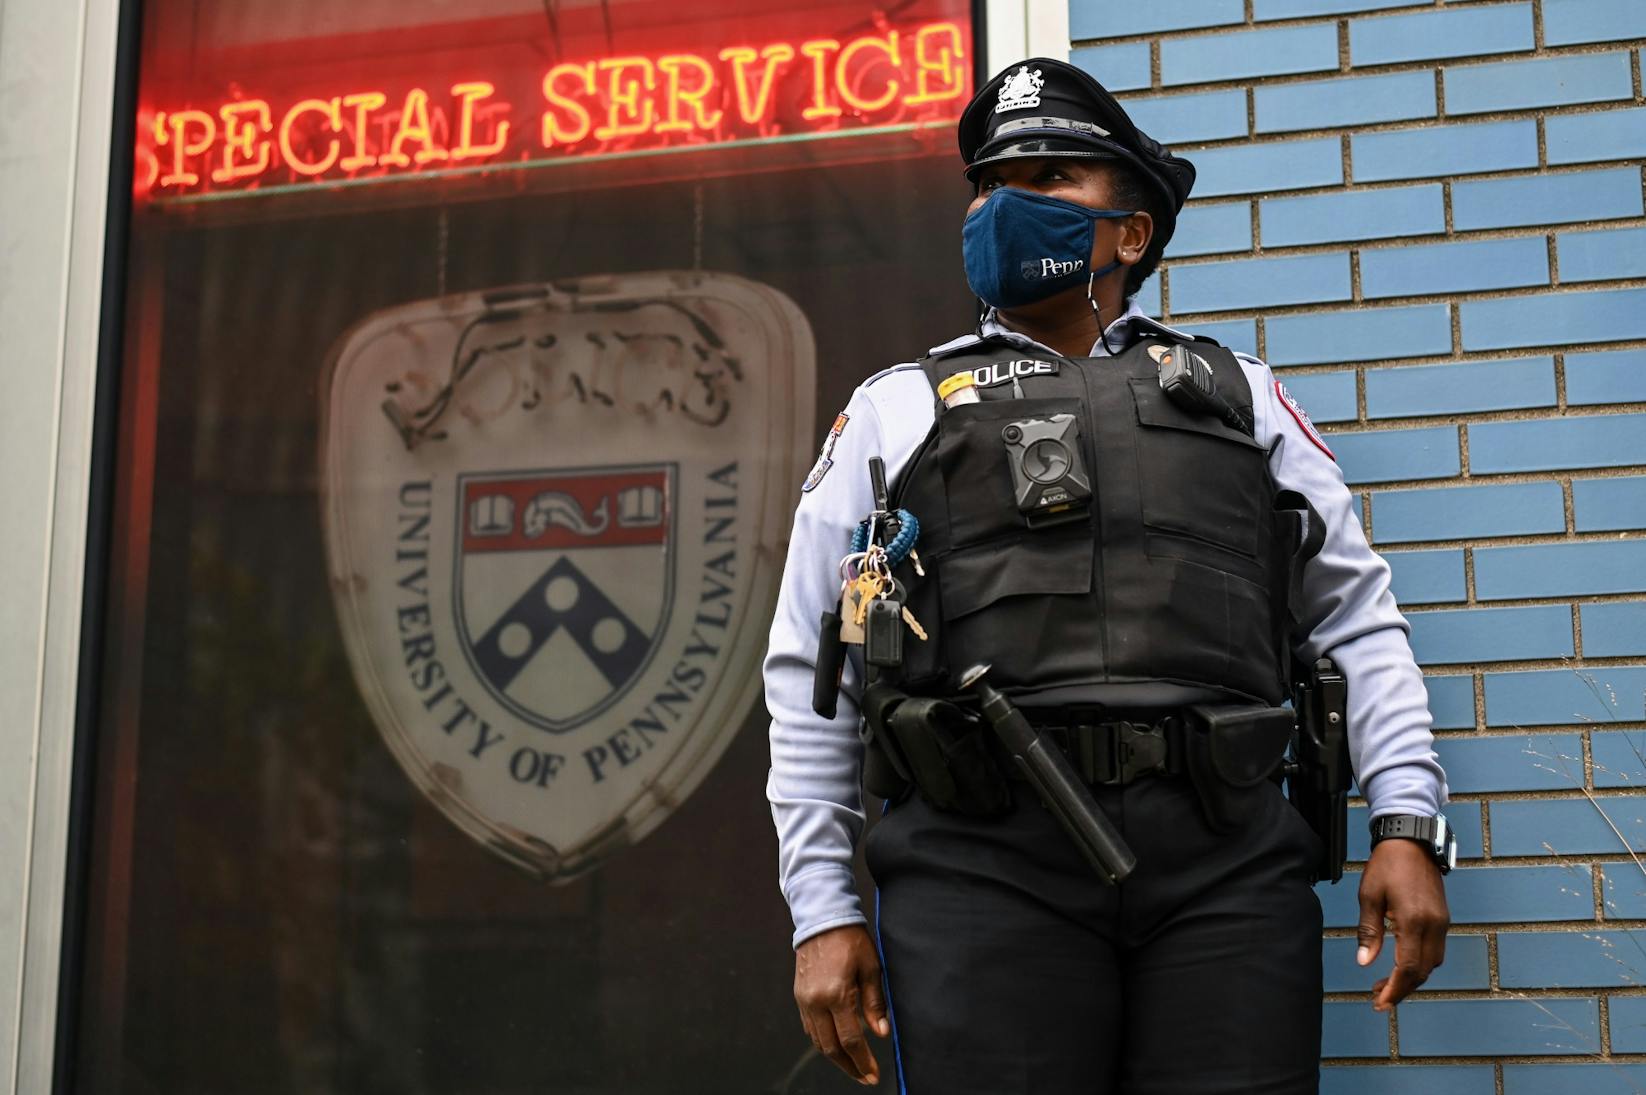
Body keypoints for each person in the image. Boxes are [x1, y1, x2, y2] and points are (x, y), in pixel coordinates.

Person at [764, 58, 1453, 1093]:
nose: (1007, 204)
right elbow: (810, 679)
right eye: (994, 182)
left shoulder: (1239, 398)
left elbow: (1354, 624)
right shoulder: (894, 410)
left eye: (1049, 179)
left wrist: (1404, 819)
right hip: (979, 870)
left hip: (1222, 866)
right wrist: (822, 910)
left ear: (1130, 233)